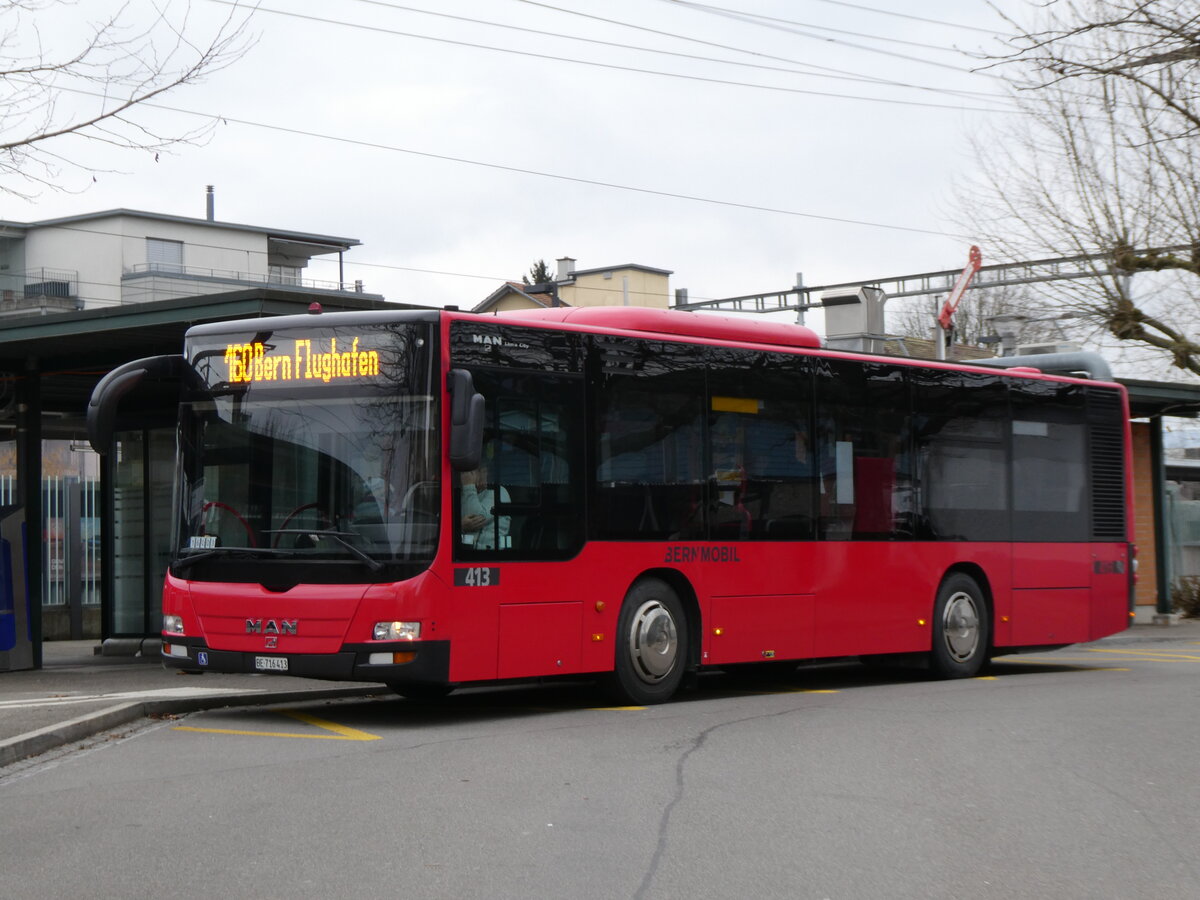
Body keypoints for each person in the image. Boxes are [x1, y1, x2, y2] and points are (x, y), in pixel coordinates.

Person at [460, 463, 510, 549]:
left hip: (488, 557)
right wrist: (460, 526)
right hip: (463, 554)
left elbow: (475, 517)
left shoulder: (499, 492)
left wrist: (468, 486)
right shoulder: (463, 494)